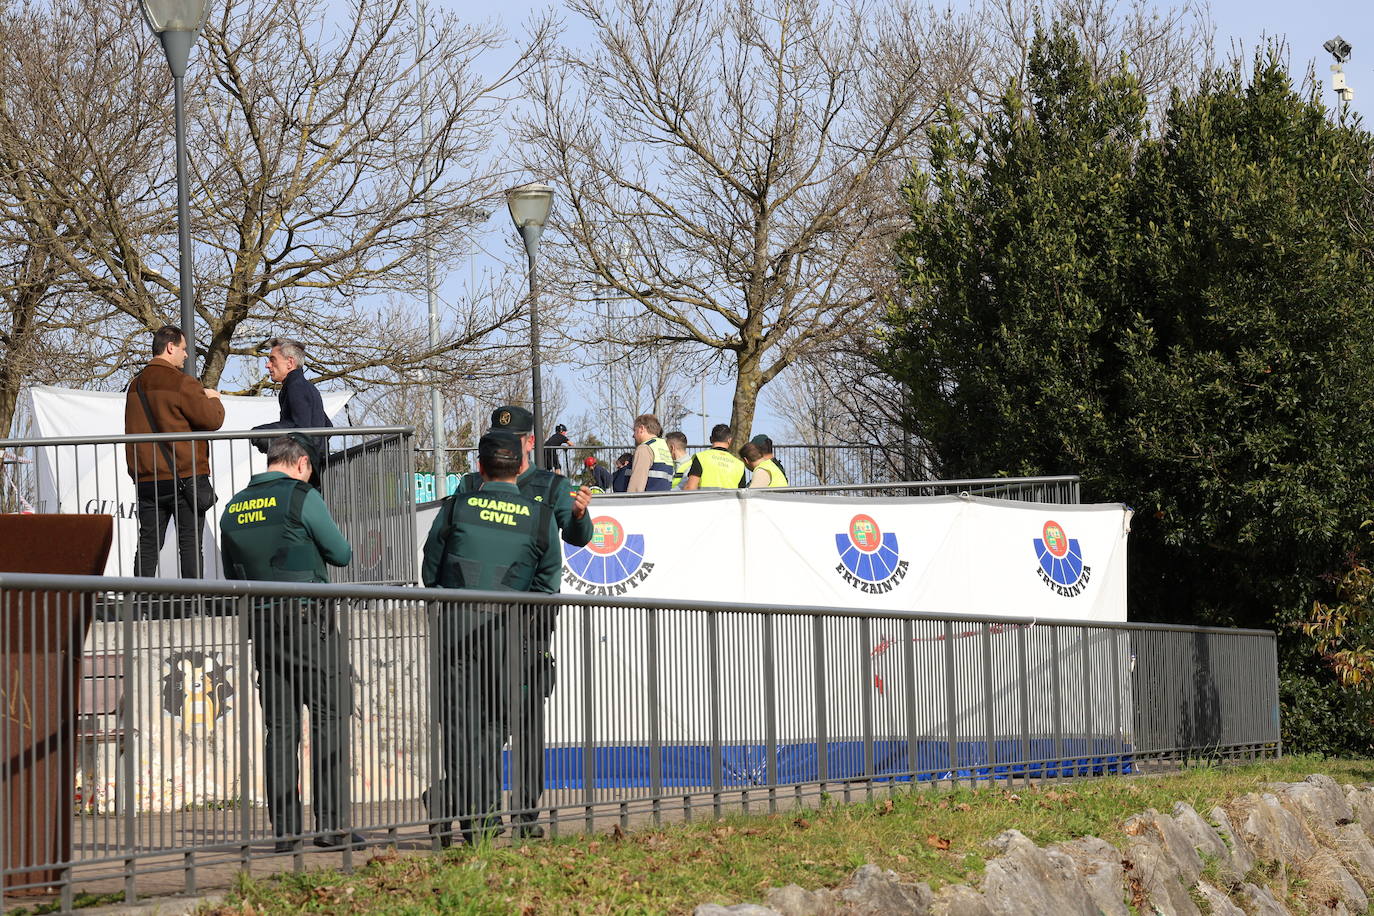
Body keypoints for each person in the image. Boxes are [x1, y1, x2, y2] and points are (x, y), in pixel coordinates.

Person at [455, 406, 594, 838]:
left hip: (530, 620)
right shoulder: (470, 482)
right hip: (476, 620)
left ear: (530, 442)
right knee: (481, 718)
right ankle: (484, 808)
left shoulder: (551, 484)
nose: (508, 446)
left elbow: (576, 539)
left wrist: (578, 514)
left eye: (516, 438)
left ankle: (528, 813)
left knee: (526, 717)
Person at [218, 434, 358, 852]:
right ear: (300, 464)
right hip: (308, 622)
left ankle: (285, 833)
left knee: (279, 728)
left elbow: (232, 573)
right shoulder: (302, 496)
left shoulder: (233, 507)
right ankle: (331, 827)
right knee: (329, 718)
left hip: (261, 623)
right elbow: (341, 553)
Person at [421, 431, 561, 847]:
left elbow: (430, 570)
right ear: (520, 466)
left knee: (460, 726)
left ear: (479, 468)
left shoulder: (455, 507)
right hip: (510, 635)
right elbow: (547, 586)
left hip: (455, 628)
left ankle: (463, 812)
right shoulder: (539, 516)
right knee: (495, 725)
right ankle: (477, 822)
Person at [125, 325, 225, 578]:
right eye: (183, 349)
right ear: (170, 347)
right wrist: (213, 398)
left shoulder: (135, 386)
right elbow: (212, 420)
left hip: (147, 479)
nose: (186, 355)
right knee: (190, 543)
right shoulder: (183, 383)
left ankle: (140, 602)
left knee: (148, 544)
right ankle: (193, 604)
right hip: (185, 476)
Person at [252, 337, 331, 458]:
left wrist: (260, 434)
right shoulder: (303, 386)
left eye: (272, 360)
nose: (267, 365)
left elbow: (301, 427)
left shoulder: (296, 387)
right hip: (311, 463)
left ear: (290, 362)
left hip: (303, 466)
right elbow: (327, 425)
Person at [682, 424, 747, 490]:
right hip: (730, 500)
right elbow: (742, 493)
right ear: (729, 440)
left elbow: (690, 487)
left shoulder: (701, 458)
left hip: (706, 500)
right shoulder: (739, 464)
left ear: (710, 439)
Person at [626, 414, 674, 492]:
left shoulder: (644, 448)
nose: (633, 435)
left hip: (647, 501)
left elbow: (636, 486)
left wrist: (630, 501)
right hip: (663, 500)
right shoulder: (663, 447)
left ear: (641, 428)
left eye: (635, 430)